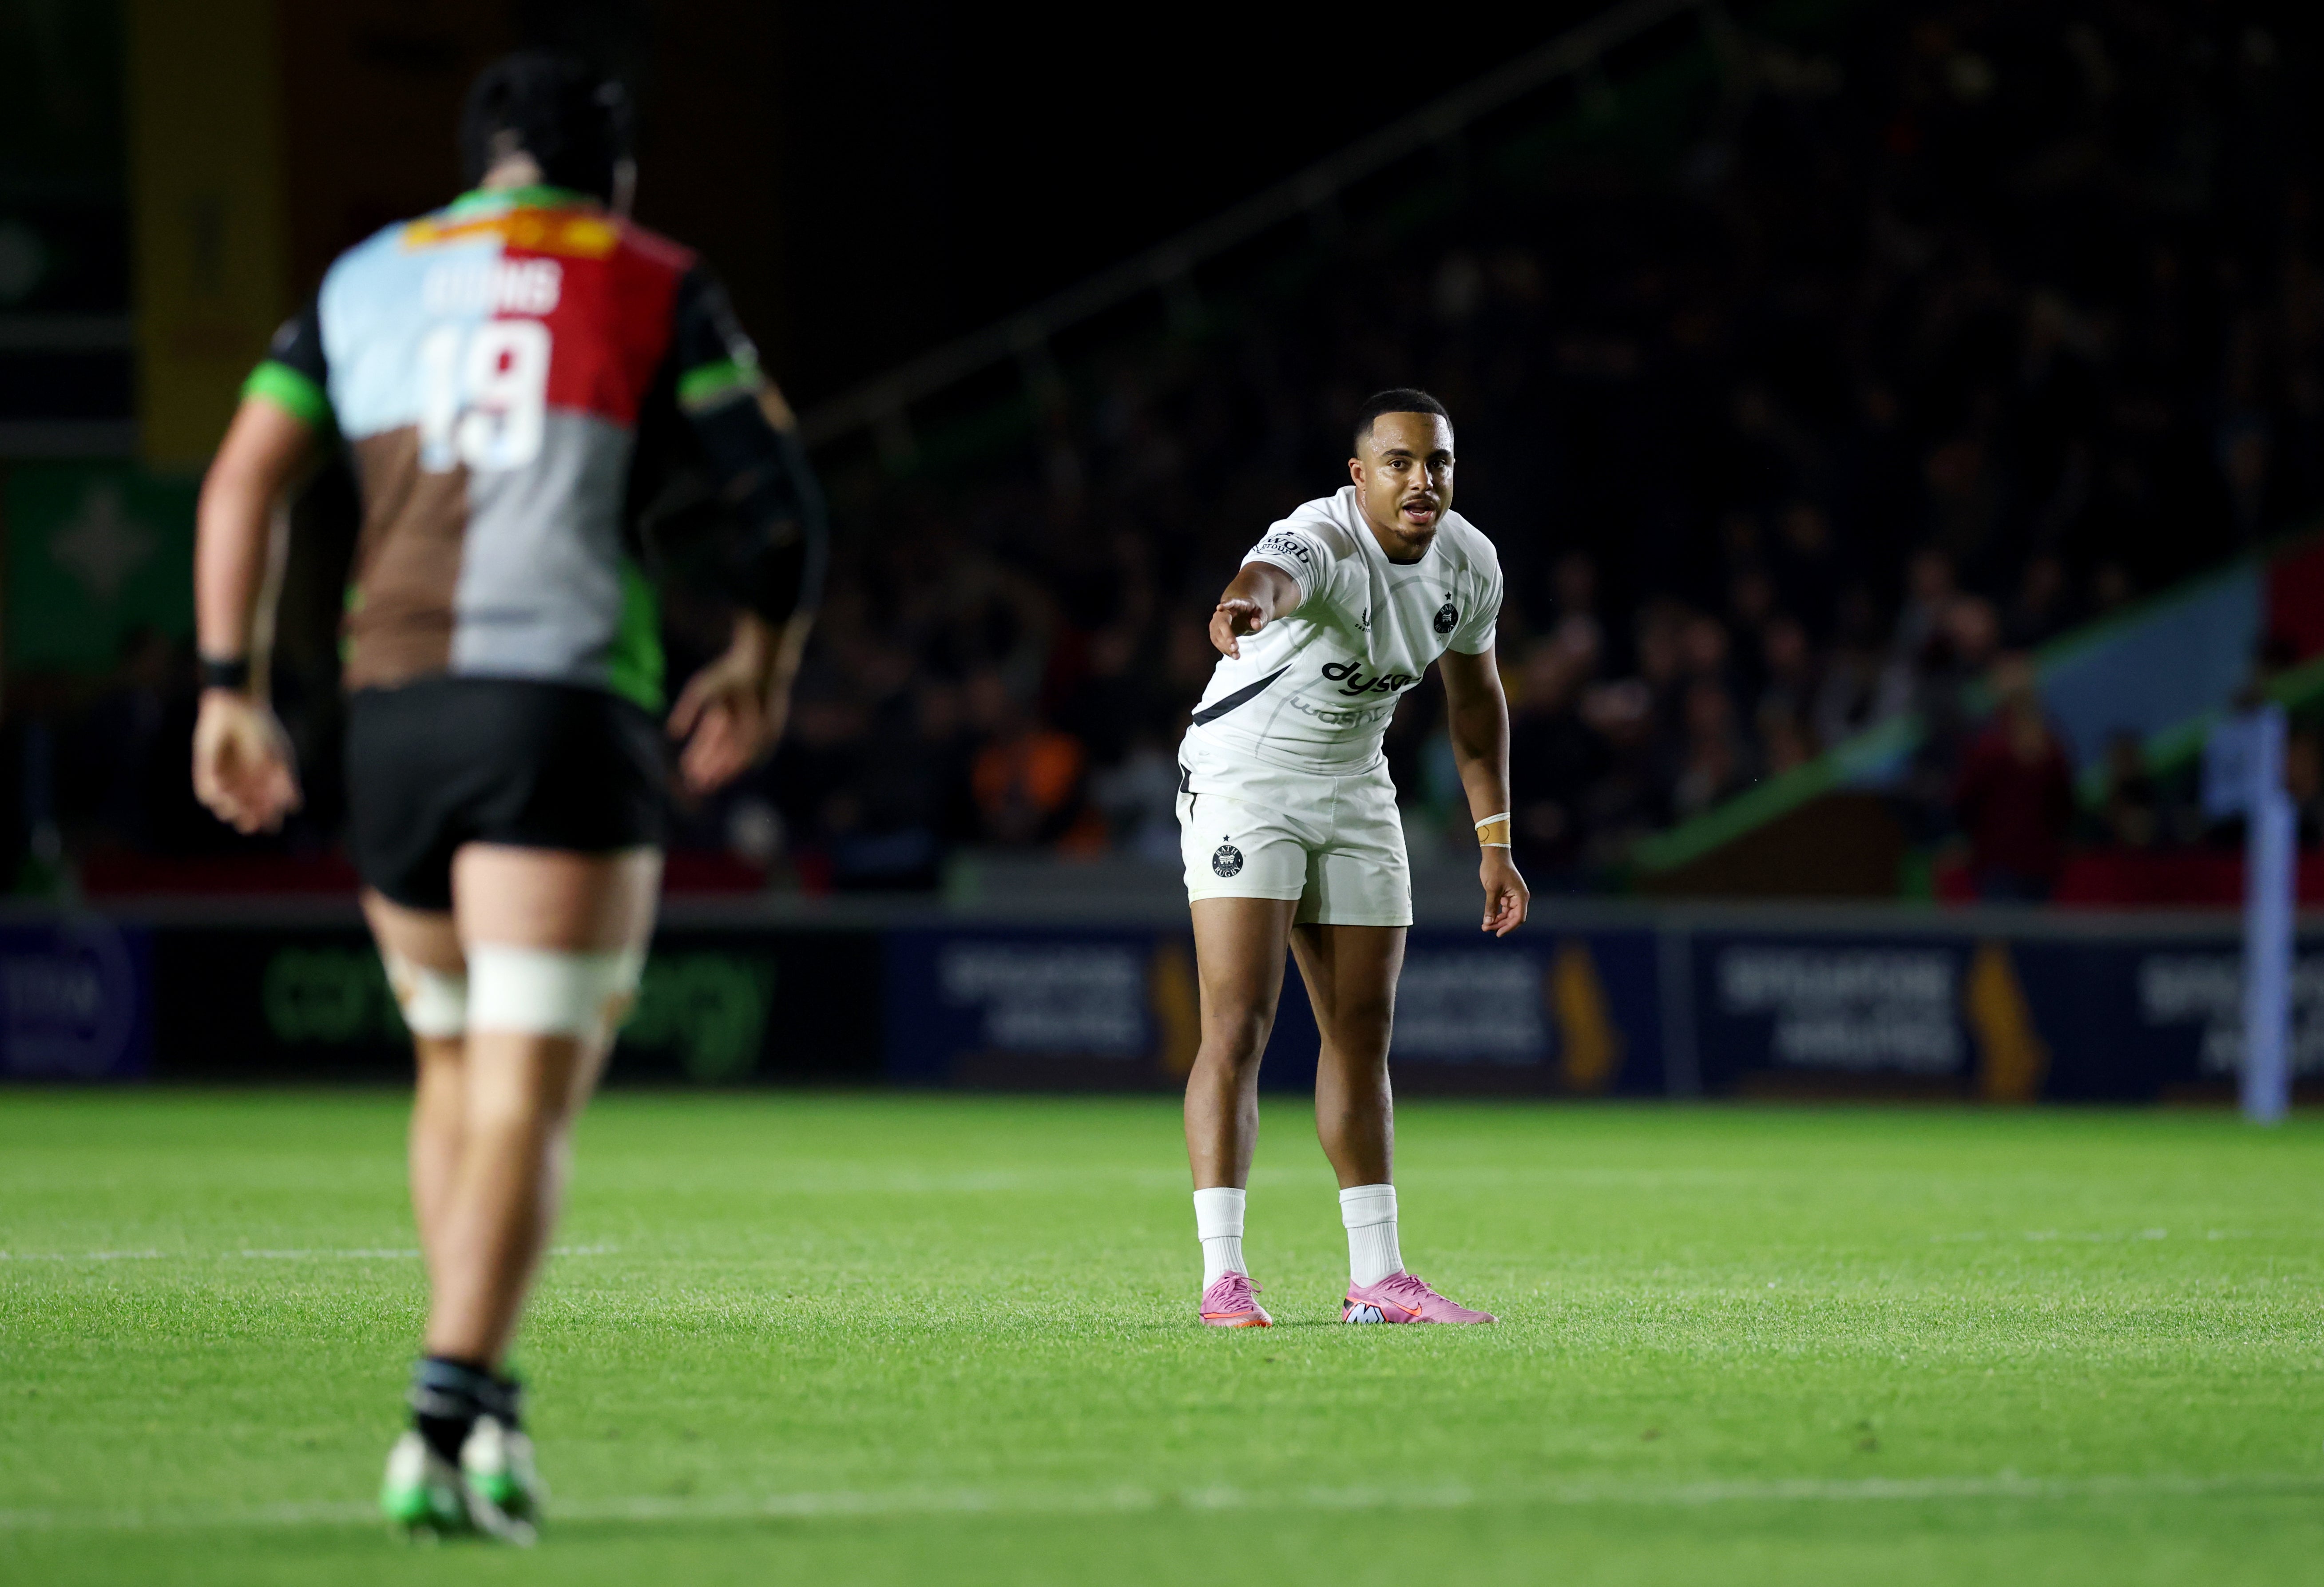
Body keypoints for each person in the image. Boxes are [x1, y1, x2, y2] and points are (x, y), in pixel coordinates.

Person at [188, 53, 825, 1541]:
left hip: (390, 721)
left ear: (481, 159)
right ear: (612, 177)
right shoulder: (654, 276)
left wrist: (229, 684)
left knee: (455, 1073)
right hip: (560, 708)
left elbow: (241, 484)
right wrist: (761, 657)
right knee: (529, 1088)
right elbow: (777, 500)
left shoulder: (358, 282)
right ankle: (440, 1412)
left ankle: (489, 1405)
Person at [1175, 389, 1527, 1328]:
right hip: (1247, 776)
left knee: (1362, 1032)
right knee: (1239, 1023)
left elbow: (1475, 704)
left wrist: (1496, 843)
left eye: (1439, 462)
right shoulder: (1319, 536)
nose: (1423, 480)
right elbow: (1271, 575)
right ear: (1359, 474)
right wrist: (1242, 603)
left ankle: (1377, 1275)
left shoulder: (1470, 562)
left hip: (1355, 785)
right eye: (1402, 462)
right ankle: (1224, 1277)